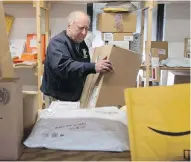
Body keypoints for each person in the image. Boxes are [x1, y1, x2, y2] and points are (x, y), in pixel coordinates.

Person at [41, 11, 113, 107]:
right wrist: (93, 67)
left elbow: (83, 67)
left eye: (86, 29)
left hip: (73, 96)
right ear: (69, 26)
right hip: (57, 98)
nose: (84, 33)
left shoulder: (81, 44)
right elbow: (63, 67)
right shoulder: (57, 43)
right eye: (80, 28)